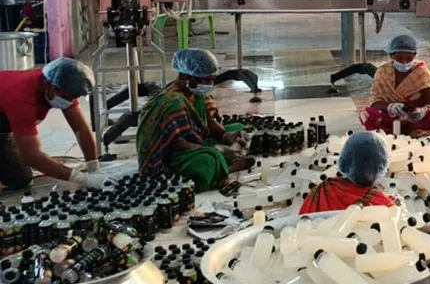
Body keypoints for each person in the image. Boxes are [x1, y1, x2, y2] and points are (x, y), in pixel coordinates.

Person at [136, 48, 254, 192]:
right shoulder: (172, 102)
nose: (210, 84)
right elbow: (177, 143)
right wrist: (214, 149)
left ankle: (222, 161)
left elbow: (209, 121)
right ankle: (227, 168)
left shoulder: (195, 93)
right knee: (207, 160)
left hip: (194, 141)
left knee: (238, 128)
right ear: (187, 76)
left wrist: (225, 136)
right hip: (169, 156)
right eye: (207, 80)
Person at [0, 57, 107, 189]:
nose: (70, 101)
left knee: (19, 179)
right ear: (50, 85)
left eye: (74, 97)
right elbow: (32, 156)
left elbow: (81, 128)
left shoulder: (58, 85)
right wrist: (82, 179)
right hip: (9, 109)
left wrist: (94, 167)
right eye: (68, 97)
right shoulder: (22, 101)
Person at [360, 34, 430, 138]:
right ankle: (403, 131)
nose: (404, 62)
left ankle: (416, 131)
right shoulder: (382, 72)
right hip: (391, 116)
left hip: (414, 117)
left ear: (415, 55)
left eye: (408, 58)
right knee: (368, 114)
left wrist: (423, 111)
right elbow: (375, 102)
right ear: (391, 55)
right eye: (399, 58)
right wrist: (391, 107)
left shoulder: (421, 72)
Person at [299, 132, 395, 214]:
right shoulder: (381, 204)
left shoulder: (320, 191)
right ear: (380, 167)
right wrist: (397, 207)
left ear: (345, 160)